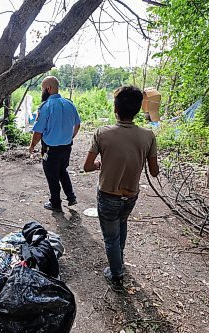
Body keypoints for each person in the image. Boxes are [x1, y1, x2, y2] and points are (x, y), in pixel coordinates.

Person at [83, 85, 159, 291]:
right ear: (137, 110)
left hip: (108, 195)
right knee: (121, 224)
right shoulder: (148, 135)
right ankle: (119, 260)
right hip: (131, 195)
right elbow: (154, 171)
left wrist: (101, 164)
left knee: (110, 237)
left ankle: (116, 274)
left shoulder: (102, 133)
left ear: (115, 109)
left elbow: (87, 166)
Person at [29, 76, 81, 212]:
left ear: (48, 88)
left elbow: (38, 132)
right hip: (66, 147)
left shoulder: (45, 107)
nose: (42, 92)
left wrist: (32, 146)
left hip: (50, 149)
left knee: (52, 175)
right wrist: (70, 137)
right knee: (62, 171)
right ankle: (71, 197)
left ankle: (55, 203)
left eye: (42, 89)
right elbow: (77, 125)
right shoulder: (70, 104)